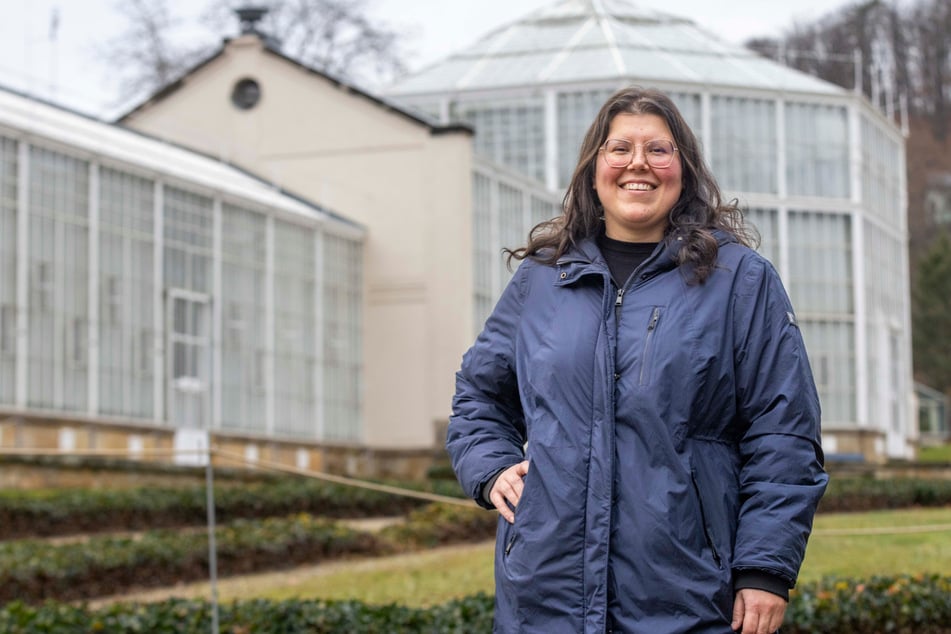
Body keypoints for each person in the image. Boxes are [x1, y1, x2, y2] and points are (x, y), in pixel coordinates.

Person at [446, 86, 828, 634]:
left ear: (683, 168)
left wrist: (765, 569)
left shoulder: (740, 281)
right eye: (619, 148)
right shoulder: (541, 281)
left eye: (659, 149)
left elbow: (784, 433)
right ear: (595, 168)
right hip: (546, 593)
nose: (638, 164)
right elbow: (479, 396)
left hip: (689, 594)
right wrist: (493, 469)